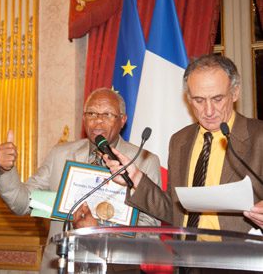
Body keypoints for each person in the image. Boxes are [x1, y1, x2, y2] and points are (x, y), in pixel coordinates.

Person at [105, 55, 263, 266]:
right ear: (188, 98)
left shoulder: (259, 137)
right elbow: (176, 210)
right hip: (187, 263)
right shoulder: (180, 141)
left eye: (217, 99)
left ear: (235, 93)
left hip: (242, 265)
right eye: (198, 100)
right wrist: (136, 178)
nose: (208, 111)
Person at [0, 88, 162, 274]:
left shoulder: (143, 161)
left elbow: (150, 232)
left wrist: (100, 235)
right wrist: (5, 170)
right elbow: (22, 204)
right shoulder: (60, 154)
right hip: (62, 265)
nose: (98, 120)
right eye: (91, 113)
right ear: (84, 118)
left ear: (122, 120)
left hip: (117, 268)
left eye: (107, 114)